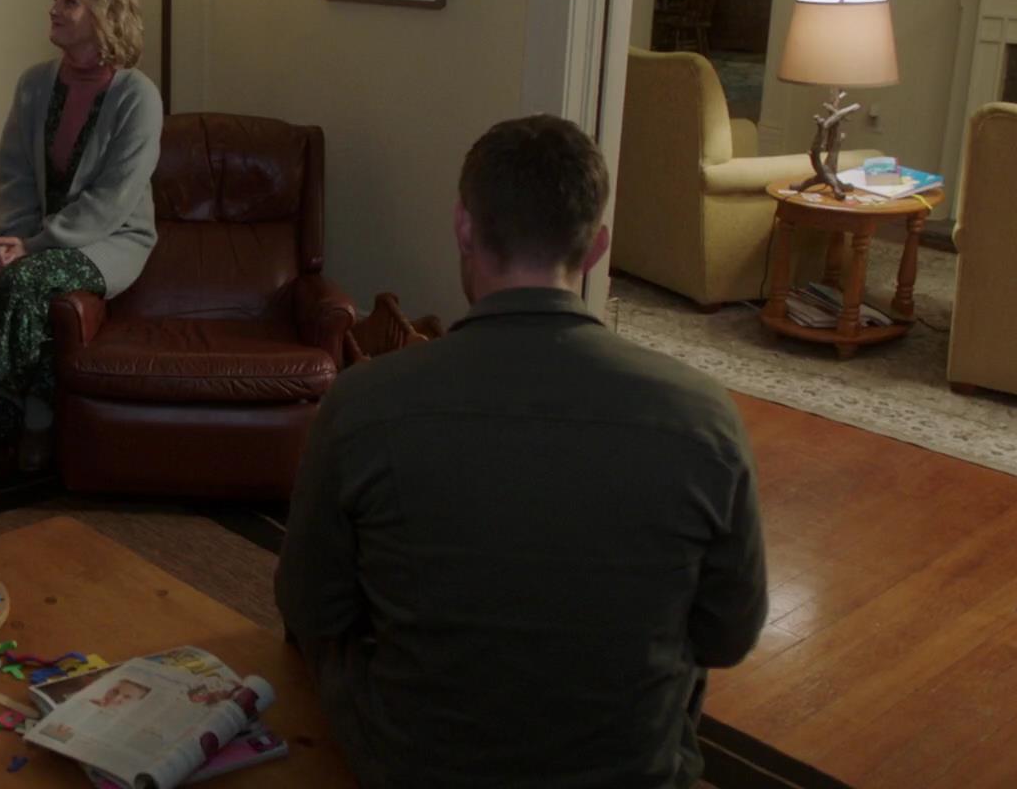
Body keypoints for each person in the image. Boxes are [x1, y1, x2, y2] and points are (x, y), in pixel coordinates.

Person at [275, 115, 767, 788]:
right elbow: (727, 636)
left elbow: (310, 607)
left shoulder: (363, 402)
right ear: (595, 248)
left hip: (416, 768)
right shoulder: (704, 417)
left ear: (464, 227)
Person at [0, 0, 163, 484]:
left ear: (104, 13)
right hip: (38, 237)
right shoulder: (34, 84)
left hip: (111, 242)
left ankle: (27, 428)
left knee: (23, 284)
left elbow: (112, 200)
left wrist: (35, 247)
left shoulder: (138, 97)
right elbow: (16, 174)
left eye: (69, 1)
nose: (53, 9)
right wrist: (15, 239)